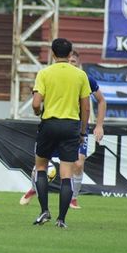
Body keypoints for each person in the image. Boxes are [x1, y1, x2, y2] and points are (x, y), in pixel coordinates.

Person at [19, 49, 106, 209]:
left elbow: (100, 100)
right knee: (43, 163)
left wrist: (99, 125)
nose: (70, 64)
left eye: (74, 62)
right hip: (56, 123)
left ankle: (73, 198)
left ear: (78, 64)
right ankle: (34, 188)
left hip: (77, 126)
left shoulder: (84, 78)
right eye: (69, 60)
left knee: (78, 164)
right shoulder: (53, 76)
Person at [31, 38, 91, 228]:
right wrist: (82, 131)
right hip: (71, 125)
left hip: (49, 124)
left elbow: (35, 103)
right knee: (67, 174)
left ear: (53, 54)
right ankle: (61, 219)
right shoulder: (80, 75)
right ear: (71, 53)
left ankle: (44, 211)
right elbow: (86, 107)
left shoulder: (44, 73)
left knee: (41, 168)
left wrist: (38, 112)